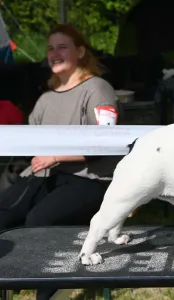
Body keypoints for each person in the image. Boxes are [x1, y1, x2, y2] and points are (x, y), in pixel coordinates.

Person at [0, 24, 120, 299]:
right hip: (45, 176)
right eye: (50, 48)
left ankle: (48, 292)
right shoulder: (45, 98)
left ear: (80, 51)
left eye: (62, 47)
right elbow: (31, 141)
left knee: (39, 221)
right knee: (4, 214)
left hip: (90, 180)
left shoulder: (98, 89)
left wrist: (54, 157)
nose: (54, 53)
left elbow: (105, 142)